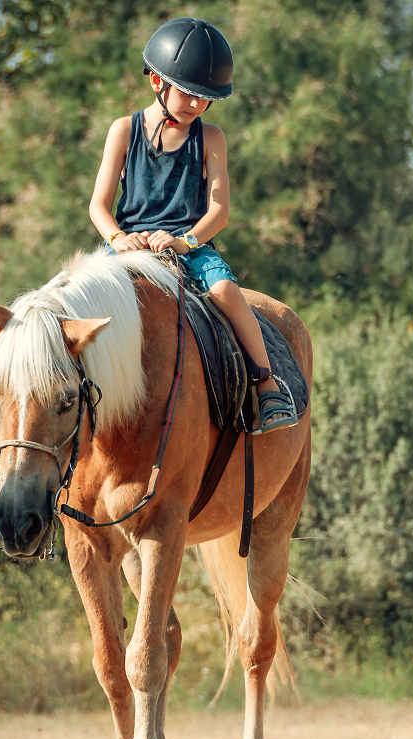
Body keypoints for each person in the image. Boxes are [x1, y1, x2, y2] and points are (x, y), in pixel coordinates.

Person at [88, 17, 297, 435]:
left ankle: (268, 385)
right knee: (77, 295)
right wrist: (119, 238)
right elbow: (98, 205)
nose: (197, 106)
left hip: (189, 244)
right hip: (129, 244)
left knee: (224, 291)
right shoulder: (122, 131)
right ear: (155, 82)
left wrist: (184, 241)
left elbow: (219, 212)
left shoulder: (211, 138)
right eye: (188, 94)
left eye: (206, 99)